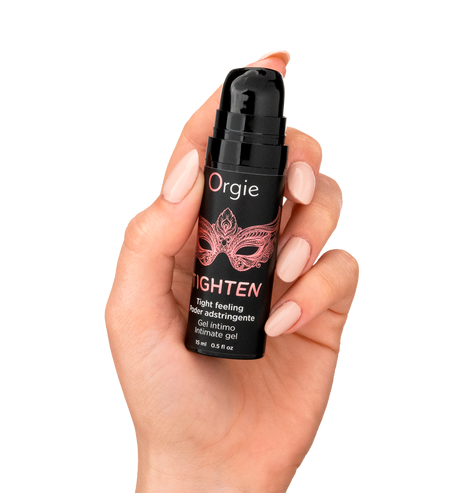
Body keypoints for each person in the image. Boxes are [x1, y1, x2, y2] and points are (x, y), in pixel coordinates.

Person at [104, 49, 360, 492]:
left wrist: (230, 474)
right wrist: (192, 465)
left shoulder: (247, 172)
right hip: (202, 327)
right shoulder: (216, 174)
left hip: (255, 346)